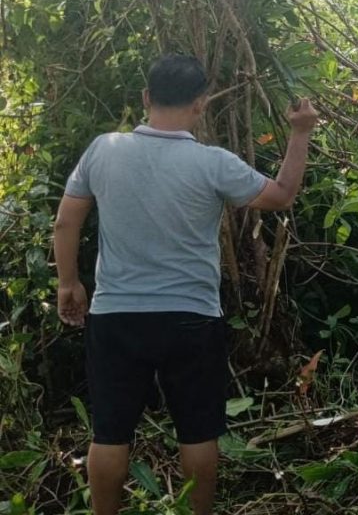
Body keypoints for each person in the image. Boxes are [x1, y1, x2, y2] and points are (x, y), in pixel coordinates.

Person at [53, 55, 320, 515]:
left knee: (110, 432)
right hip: (191, 317)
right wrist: (300, 134)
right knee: (197, 431)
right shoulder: (212, 163)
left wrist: (68, 284)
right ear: (200, 105)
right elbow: (281, 195)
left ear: (145, 98)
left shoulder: (104, 149)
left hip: (116, 315)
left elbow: (65, 222)